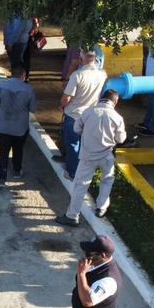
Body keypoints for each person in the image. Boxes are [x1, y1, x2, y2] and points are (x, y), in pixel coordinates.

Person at [56, 90, 126, 226]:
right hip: (107, 155)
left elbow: (77, 129)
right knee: (107, 181)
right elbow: (121, 139)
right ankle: (101, 208)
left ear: (101, 98)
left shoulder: (88, 112)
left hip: (87, 156)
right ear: (115, 102)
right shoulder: (117, 118)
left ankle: (72, 216)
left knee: (80, 185)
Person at [59, 50, 108, 180]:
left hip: (74, 115)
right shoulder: (102, 74)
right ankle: (85, 171)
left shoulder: (77, 75)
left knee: (73, 144)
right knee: (85, 145)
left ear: (81, 60)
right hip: (91, 115)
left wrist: (62, 105)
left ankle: (72, 172)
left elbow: (66, 97)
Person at [0, 64, 37, 187]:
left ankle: (1, 179)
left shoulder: (1, 86)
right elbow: (33, 109)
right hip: (20, 128)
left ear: (11, 74)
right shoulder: (29, 90)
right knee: (18, 149)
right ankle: (17, 171)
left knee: (3, 152)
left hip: (4, 126)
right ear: (23, 75)